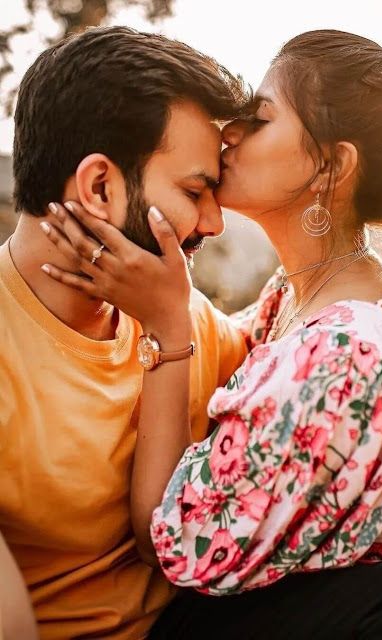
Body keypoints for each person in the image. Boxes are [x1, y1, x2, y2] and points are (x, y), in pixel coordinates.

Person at [42, 30, 382, 638]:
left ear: (332, 165)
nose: (229, 132)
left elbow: (176, 541)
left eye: (260, 119)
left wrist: (166, 328)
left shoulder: (343, 351)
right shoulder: (293, 303)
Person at [0, 26, 248, 639]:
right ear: (101, 187)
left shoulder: (173, 310)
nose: (215, 222)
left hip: (191, 619)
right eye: (196, 191)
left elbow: (315, 386)